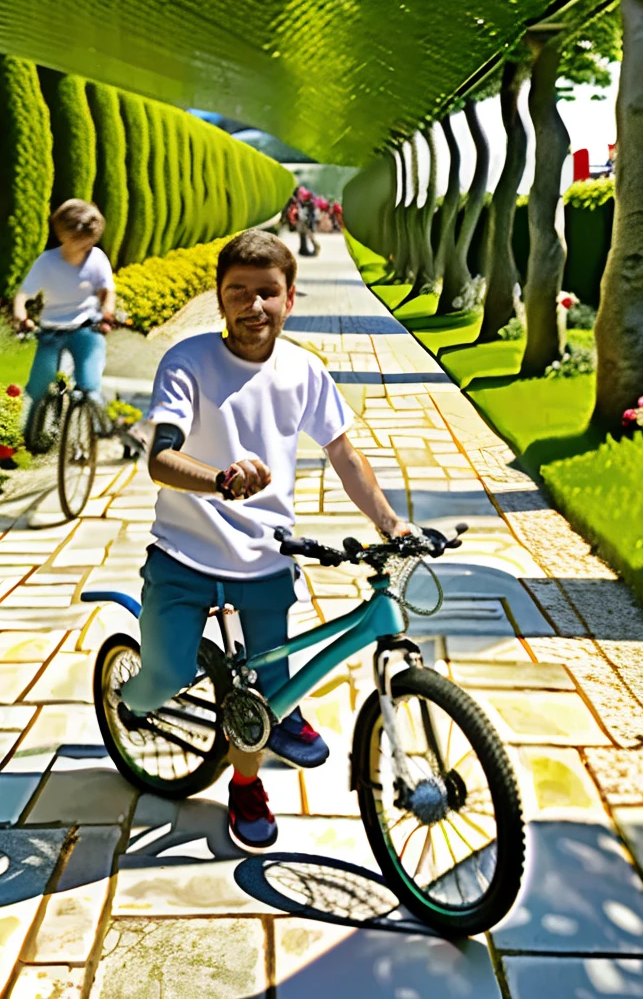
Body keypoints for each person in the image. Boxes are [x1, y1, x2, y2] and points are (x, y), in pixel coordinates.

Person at [118, 229, 410, 852]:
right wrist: (220, 480)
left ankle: (246, 784)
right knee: (164, 677)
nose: (254, 307)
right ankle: (129, 695)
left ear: (290, 298)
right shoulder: (188, 362)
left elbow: (342, 451)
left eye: (268, 293)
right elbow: (161, 460)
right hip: (184, 553)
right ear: (220, 300)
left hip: (266, 559)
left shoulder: (304, 369)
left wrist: (390, 522)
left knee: (262, 697)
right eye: (239, 293)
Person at [13, 199, 115, 435]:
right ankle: (29, 435)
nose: (85, 246)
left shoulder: (97, 258)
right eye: (80, 240)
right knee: (39, 386)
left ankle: (101, 425)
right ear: (63, 235)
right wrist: (22, 316)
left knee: (89, 385)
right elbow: (23, 295)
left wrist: (107, 313)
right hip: (51, 331)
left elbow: (108, 290)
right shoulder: (47, 261)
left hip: (86, 329)